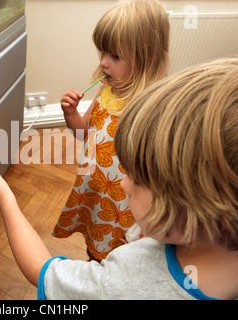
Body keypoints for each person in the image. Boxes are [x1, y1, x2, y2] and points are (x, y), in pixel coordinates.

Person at [0, 57, 238, 299]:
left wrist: (5, 200)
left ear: (215, 211)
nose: (125, 183)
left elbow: (44, 272)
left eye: (140, 180)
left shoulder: (122, 282)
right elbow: (85, 132)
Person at [52, 0, 170, 261]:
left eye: (115, 56)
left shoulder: (150, 105)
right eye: (102, 53)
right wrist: (70, 114)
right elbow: (85, 134)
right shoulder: (107, 90)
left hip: (124, 204)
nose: (104, 63)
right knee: (96, 243)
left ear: (146, 58)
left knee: (121, 256)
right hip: (95, 193)